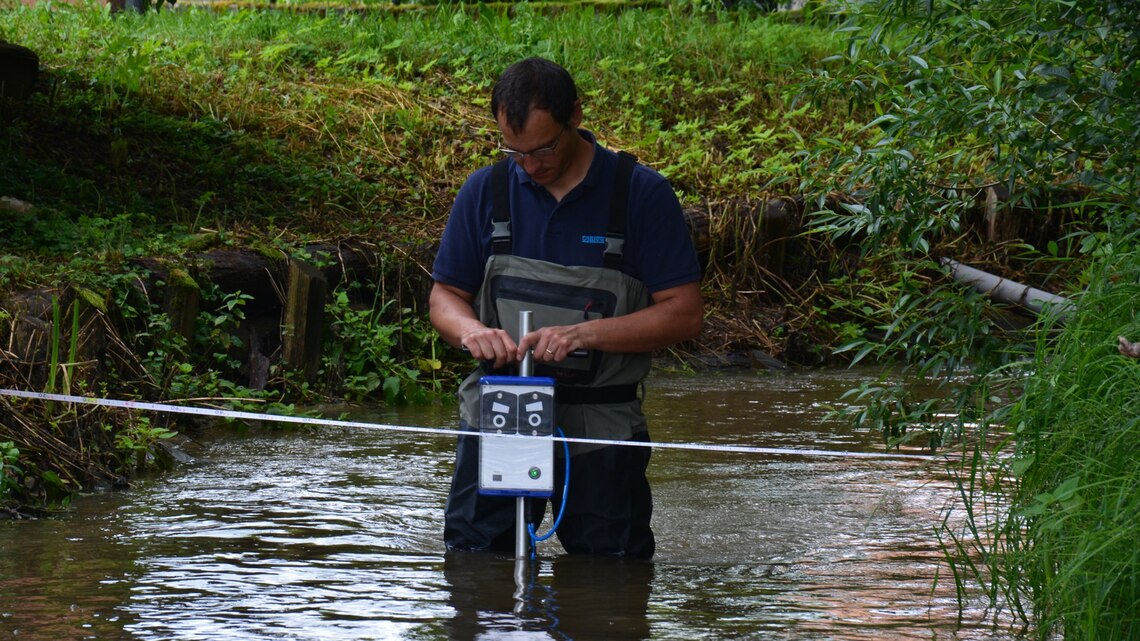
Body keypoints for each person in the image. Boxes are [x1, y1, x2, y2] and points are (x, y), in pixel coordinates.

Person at [429, 57, 703, 559]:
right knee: (477, 566)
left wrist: (583, 336)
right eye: (515, 151)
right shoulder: (484, 192)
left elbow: (684, 313)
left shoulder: (642, 195)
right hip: (500, 414)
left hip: (603, 425)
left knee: (610, 578)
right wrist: (470, 330)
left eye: (544, 149)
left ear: (576, 115)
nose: (530, 165)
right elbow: (445, 297)